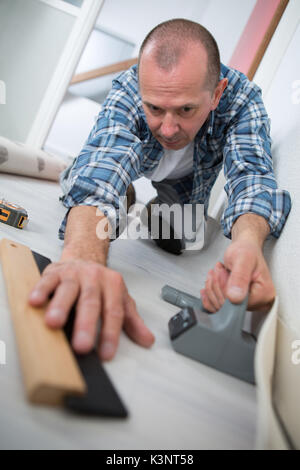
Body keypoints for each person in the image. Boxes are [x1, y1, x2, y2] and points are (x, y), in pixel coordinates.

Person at [28, 19, 291, 361]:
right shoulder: (130, 86)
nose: (167, 129)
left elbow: (251, 177)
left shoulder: (242, 100)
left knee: (182, 237)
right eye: (154, 108)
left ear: (216, 93)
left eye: (185, 109)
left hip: (185, 181)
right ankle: (125, 196)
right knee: (88, 199)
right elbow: (103, 166)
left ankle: (154, 210)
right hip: (129, 161)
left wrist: (248, 245)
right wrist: (80, 258)